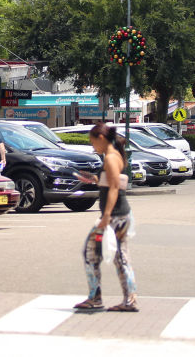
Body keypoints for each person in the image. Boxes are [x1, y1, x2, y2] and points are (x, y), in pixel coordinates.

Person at [73, 121, 138, 312]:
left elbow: (114, 188)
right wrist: (94, 179)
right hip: (121, 216)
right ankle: (127, 298)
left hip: (115, 217)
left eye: (93, 143)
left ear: (101, 138)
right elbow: (113, 181)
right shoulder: (115, 155)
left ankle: (97, 297)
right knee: (119, 257)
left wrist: (106, 216)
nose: (93, 147)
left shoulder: (110, 157)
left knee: (92, 253)